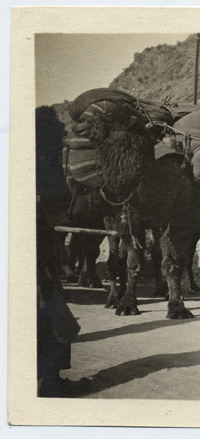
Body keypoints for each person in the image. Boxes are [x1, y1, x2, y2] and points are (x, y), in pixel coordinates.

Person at [36, 106, 85, 396]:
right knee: (50, 310)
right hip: (40, 249)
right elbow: (59, 204)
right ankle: (50, 382)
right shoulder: (49, 164)